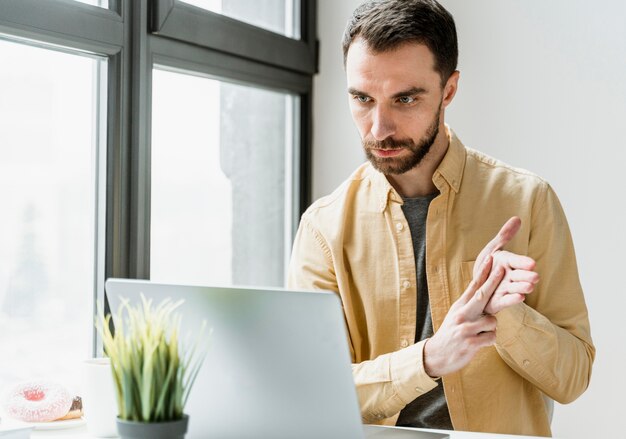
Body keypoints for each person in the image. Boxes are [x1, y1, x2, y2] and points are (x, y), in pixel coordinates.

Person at [287, 0, 595, 436]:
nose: (378, 128)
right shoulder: (323, 228)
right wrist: (429, 358)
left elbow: (574, 378)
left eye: (405, 98)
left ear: (448, 91)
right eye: (362, 99)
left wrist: (507, 316)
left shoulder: (528, 201)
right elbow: (311, 392)